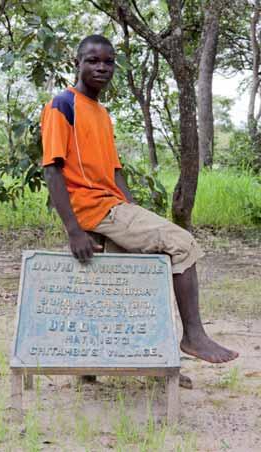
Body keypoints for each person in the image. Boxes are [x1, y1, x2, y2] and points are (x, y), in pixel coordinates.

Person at [41, 34, 238, 364]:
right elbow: (52, 170)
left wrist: (131, 209)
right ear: (77, 63)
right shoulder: (62, 105)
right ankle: (194, 337)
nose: (102, 67)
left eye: (108, 61)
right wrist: (74, 230)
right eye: (92, 60)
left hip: (112, 207)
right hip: (92, 209)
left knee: (127, 286)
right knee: (181, 243)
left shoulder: (102, 114)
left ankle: (139, 365)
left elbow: (115, 172)